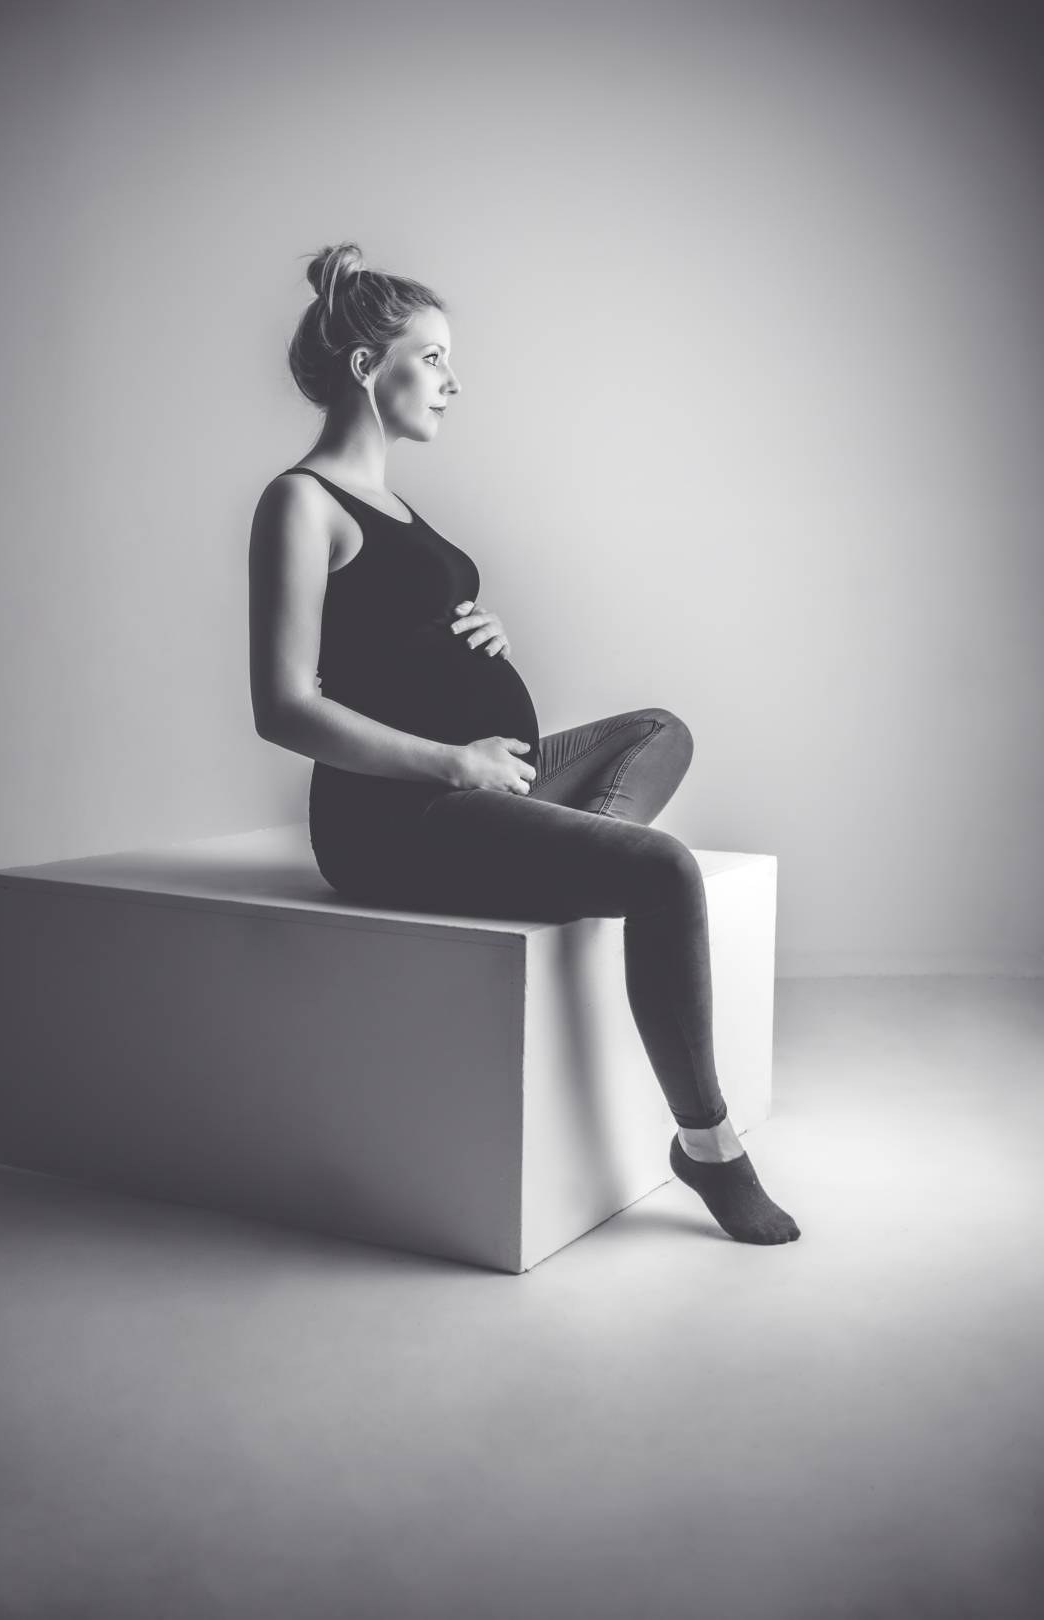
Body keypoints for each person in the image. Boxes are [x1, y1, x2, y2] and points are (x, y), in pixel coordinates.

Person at [248, 241, 800, 1246]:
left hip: (485, 786)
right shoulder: (301, 502)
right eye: (432, 359)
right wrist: (455, 761)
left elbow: (390, 636)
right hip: (398, 817)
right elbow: (284, 706)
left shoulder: (396, 505)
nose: (453, 383)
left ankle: (568, 856)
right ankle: (709, 1145)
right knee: (664, 872)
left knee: (658, 730)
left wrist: (477, 635)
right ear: (368, 367)